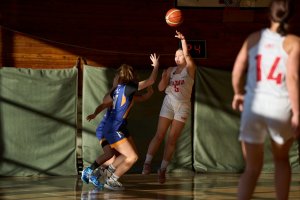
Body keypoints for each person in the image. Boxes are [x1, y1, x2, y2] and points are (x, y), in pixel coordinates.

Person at [231, 0, 300, 199]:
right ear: (291, 17)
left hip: (254, 106)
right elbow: (293, 79)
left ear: (269, 14)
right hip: (280, 107)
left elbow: (237, 71)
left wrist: (237, 92)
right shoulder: (294, 42)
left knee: (251, 169)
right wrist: (297, 112)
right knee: (281, 160)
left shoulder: (253, 38)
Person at [82, 53, 160, 190]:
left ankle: (103, 173)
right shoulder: (128, 88)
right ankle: (111, 180)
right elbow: (151, 80)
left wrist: (96, 112)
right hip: (114, 128)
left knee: (125, 155)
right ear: (131, 76)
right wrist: (156, 66)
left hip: (118, 127)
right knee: (132, 157)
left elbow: (105, 102)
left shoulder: (118, 90)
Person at [142, 31, 196, 184]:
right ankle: (147, 163)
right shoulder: (170, 70)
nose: (177, 58)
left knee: (172, 139)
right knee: (160, 135)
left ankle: (163, 169)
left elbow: (187, 56)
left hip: (183, 105)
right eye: (175, 56)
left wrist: (183, 40)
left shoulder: (190, 69)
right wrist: (164, 78)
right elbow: (160, 88)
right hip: (169, 102)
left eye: (180, 56)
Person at [81, 85, 154, 188]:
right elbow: (103, 104)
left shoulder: (130, 94)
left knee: (121, 155)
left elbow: (143, 97)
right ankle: (94, 172)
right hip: (109, 129)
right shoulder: (117, 96)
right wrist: (94, 114)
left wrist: (150, 91)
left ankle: (101, 175)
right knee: (111, 155)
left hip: (119, 127)